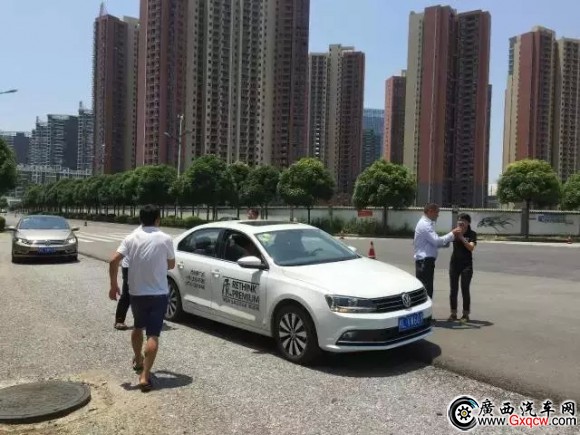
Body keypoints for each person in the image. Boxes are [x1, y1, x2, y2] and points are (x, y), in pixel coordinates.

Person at [108, 205, 175, 392]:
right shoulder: (165, 238)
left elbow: (113, 260)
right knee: (153, 335)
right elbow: (171, 264)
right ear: (157, 219)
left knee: (137, 327)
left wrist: (113, 286)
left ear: (140, 219)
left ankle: (138, 359)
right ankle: (145, 376)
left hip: (136, 293)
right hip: (159, 294)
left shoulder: (131, 238)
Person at [413, 203, 463, 304]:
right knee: (426, 290)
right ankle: (426, 312)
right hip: (424, 262)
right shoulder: (425, 225)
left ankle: (426, 311)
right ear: (430, 211)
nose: (438, 215)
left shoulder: (427, 223)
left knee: (427, 289)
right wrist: (452, 234)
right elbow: (436, 241)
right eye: (437, 212)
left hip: (425, 262)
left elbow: (434, 243)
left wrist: (449, 238)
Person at [448, 213, 477, 323]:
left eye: (463, 220)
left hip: (466, 265)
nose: (460, 222)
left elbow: (471, 248)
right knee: (453, 289)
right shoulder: (454, 232)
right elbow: (444, 241)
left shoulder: (472, 234)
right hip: (454, 264)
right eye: (459, 220)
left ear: (468, 223)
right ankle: (453, 313)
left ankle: (465, 314)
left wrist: (461, 237)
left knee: (465, 289)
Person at [114, 225, 142, 330]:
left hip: (142, 267)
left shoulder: (153, 233)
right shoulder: (137, 235)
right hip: (130, 267)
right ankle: (119, 320)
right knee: (127, 294)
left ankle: (142, 319)